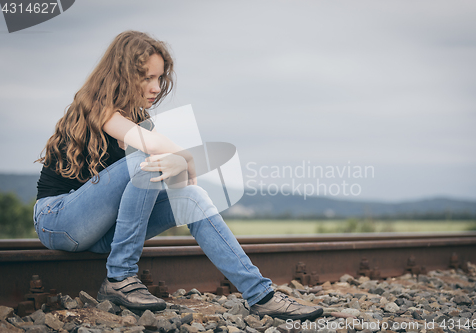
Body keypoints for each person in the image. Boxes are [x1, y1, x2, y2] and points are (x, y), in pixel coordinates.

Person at [34, 30, 323, 321]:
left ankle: (261, 295)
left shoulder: (140, 121)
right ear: (122, 74)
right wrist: (185, 157)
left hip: (102, 230)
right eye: (146, 78)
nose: (156, 87)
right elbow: (152, 148)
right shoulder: (97, 105)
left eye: (159, 78)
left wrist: (179, 166)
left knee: (193, 196)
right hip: (58, 218)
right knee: (150, 157)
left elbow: (167, 166)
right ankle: (120, 276)